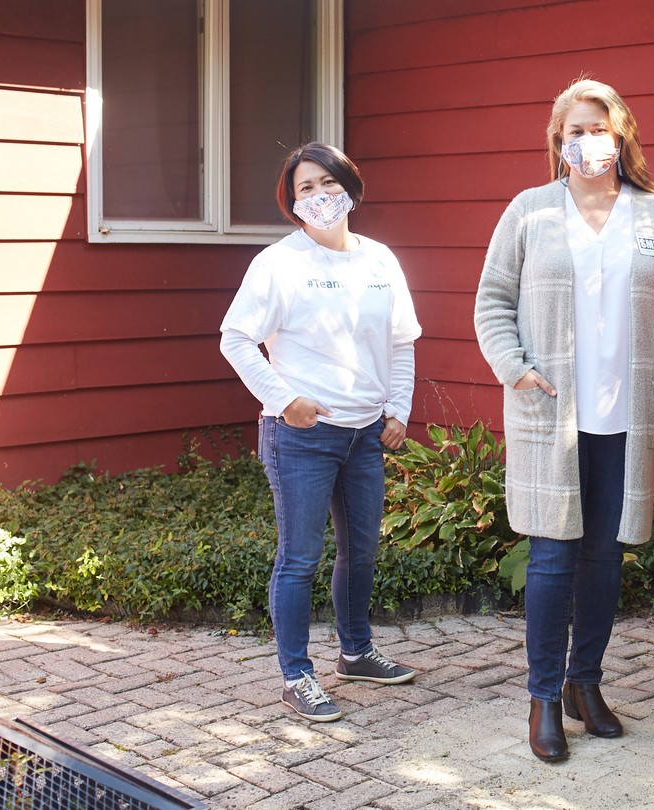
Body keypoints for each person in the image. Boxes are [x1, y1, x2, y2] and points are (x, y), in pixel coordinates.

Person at [474, 78, 654, 762]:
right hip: (551, 414)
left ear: (623, 134)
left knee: (604, 559)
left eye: (598, 127)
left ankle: (586, 684)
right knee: (551, 558)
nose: (586, 141)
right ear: (558, 141)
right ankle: (543, 697)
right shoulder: (530, 211)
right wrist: (516, 368)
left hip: (625, 418)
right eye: (573, 130)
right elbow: (492, 302)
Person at [221, 142, 420, 723]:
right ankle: (296, 675)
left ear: (350, 189)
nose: (317, 196)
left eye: (326, 183)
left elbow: (400, 341)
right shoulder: (278, 263)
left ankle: (356, 652)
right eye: (303, 188)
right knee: (300, 556)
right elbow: (236, 338)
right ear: (292, 201)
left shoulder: (381, 260)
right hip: (303, 437)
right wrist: (285, 401)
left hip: (365, 435)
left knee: (360, 552)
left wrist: (398, 410)